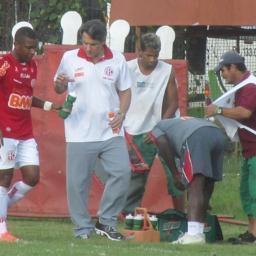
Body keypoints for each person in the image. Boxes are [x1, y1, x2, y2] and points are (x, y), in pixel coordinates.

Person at [54, 19, 132, 241]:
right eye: (85, 43)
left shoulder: (117, 59)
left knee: (122, 172)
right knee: (77, 184)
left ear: (103, 42)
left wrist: (122, 113)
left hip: (111, 130)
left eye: (93, 44)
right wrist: (60, 83)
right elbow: (58, 87)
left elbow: (125, 91)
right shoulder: (69, 58)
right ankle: (82, 229)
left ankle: (106, 221)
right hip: (78, 131)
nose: (88, 48)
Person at [0, 27, 59, 242]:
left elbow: (25, 97)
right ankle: (1, 231)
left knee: (32, 177)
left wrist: (50, 105)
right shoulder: (4, 64)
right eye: (28, 48)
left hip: (25, 132)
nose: (33, 52)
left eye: (35, 48)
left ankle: (1, 208)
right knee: (4, 177)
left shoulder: (32, 66)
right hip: (5, 129)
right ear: (16, 44)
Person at [123, 33, 183, 214]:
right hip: (135, 130)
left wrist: (159, 128)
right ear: (139, 52)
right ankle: (130, 216)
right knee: (136, 176)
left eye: (156, 55)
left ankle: (182, 216)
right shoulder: (127, 68)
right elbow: (119, 96)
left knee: (175, 173)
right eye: (148, 55)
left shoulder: (167, 70)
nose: (152, 59)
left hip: (163, 128)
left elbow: (173, 103)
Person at [205, 50, 256, 244]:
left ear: (233, 67)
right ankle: (252, 232)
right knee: (247, 191)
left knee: (254, 191)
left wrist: (218, 109)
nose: (223, 75)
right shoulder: (241, 88)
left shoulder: (250, 87)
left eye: (224, 70)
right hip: (249, 150)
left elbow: (244, 113)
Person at [151, 116, 226, 244]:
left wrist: (175, 174)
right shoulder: (179, 123)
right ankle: (200, 231)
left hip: (196, 136)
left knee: (195, 185)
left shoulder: (157, 127)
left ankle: (193, 234)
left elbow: (162, 143)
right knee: (207, 183)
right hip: (218, 134)